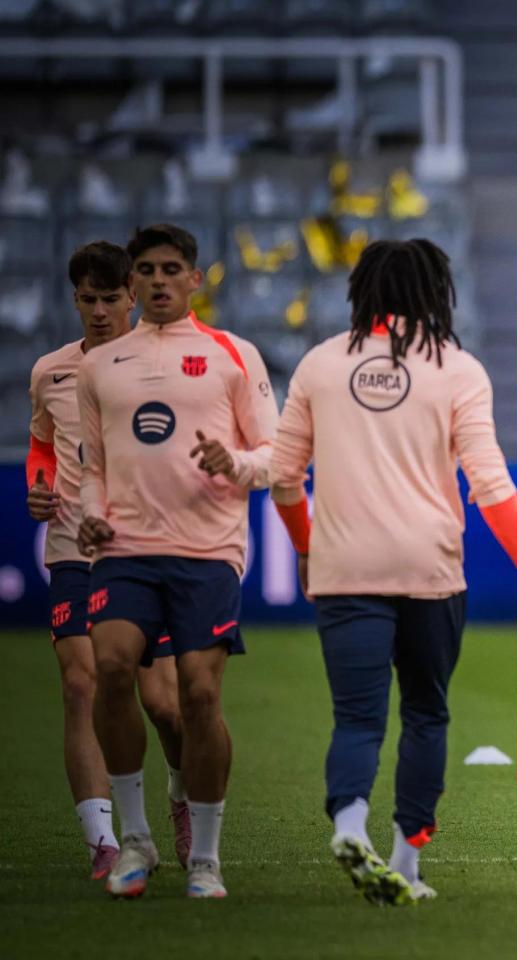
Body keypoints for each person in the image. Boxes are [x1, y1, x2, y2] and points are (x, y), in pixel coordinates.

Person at [270, 238, 517, 905]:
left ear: (362, 289)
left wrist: (307, 547)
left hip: (345, 572)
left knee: (356, 719)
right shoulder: (456, 369)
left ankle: (349, 824)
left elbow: (284, 477)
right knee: (426, 713)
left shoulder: (319, 365)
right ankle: (407, 859)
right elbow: (491, 485)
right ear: (436, 291)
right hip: (430, 570)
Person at [77, 224, 279, 899]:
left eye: (172, 269)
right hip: (124, 549)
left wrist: (239, 462)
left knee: (197, 694)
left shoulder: (232, 354)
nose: (159, 280)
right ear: (131, 284)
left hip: (207, 550)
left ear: (196, 279)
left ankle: (206, 858)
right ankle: (135, 840)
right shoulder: (98, 366)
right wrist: (93, 512)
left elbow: (277, 453)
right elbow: (92, 466)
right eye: (146, 271)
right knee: (109, 667)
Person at [27, 242, 188, 881]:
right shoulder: (51, 372)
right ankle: (104, 840)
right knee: (79, 683)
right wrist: (39, 486)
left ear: (131, 297)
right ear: (74, 300)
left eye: (108, 299)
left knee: (167, 704)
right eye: (86, 300)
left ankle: (180, 794)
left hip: (147, 552)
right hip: (73, 546)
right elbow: (42, 446)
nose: (97, 311)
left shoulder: (163, 367)